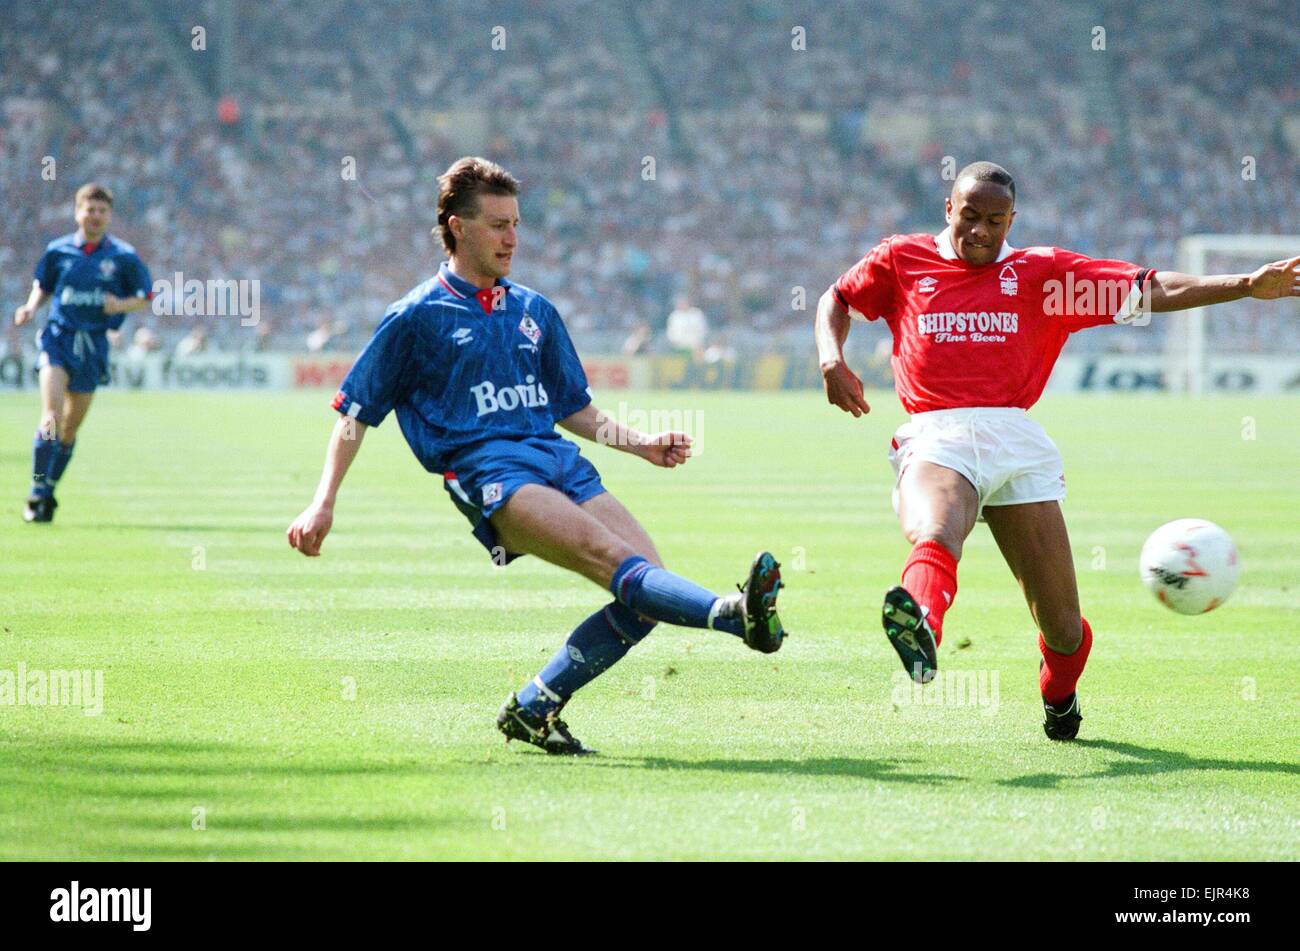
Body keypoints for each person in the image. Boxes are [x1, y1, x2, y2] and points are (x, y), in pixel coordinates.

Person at [287, 157, 787, 755]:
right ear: (457, 227)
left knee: (646, 592)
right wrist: (322, 503)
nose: (512, 238)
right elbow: (355, 415)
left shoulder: (535, 311)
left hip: (559, 460)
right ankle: (735, 614)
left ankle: (535, 706)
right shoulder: (415, 317)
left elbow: (573, 407)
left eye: (517, 223)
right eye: (498, 224)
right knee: (613, 561)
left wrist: (643, 444)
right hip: (490, 473)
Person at [815, 161, 1299, 740]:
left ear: (1011, 220)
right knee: (939, 527)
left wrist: (1244, 285)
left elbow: (1149, 287)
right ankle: (921, 623)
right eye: (969, 216)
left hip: (1016, 441)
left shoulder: (1044, 274)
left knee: (1064, 630)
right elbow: (836, 299)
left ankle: (1059, 694)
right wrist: (830, 358)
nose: (981, 231)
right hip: (936, 431)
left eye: (995, 220)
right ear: (949, 209)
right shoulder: (902, 258)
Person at [13, 183, 153, 522]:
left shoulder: (123, 256)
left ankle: (48, 490)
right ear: (78, 213)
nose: (95, 216)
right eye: (89, 209)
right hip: (59, 338)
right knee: (51, 416)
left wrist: (121, 304)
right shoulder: (58, 251)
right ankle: (36, 489)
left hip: (93, 345)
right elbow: (42, 286)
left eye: (102, 211)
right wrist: (31, 308)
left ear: (109, 216)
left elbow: (147, 295)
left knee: (69, 430)